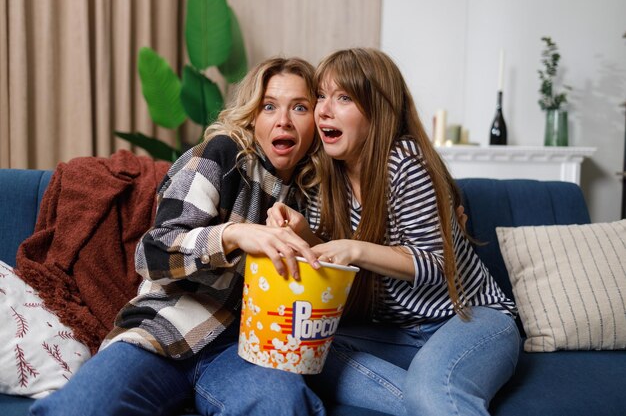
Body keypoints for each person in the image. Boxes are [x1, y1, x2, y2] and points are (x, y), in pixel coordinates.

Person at [30, 57, 325, 416]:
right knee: (78, 408)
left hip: (245, 351)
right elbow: (152, 253)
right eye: (269, 106)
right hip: (164, 329)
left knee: (283, 405)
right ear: (252, 116)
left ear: (317, 119)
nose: (283, 120)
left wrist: (308, 238)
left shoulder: (316, 192)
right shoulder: (221, 155)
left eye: (299, 107)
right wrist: (234, 234)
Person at [267, 48, 521, 416]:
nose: (323, 110)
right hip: (396, 333)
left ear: (378, 111)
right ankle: (434, 404)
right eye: (321, 96)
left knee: (429, 387)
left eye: (343, 98)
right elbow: (338, 265)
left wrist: (355, 249)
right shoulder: (325, 179)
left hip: (471, 317)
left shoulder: (405, 162)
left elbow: (434, 264)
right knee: (302, 350)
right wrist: (306, 233)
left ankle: (434, 395)